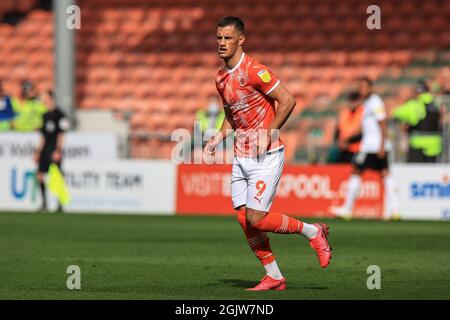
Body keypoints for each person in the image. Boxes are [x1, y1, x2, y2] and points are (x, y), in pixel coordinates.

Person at [203, 16, 332, 291]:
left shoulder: (255, 71)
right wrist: (218, 136)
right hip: (241, 156)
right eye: (218, 38)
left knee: (256, 218)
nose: (222, 43)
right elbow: (231, 114)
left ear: (241, 40)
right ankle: (274, 276)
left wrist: (268, 133)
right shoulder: (221, 77)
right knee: (243, 218)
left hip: (267, 154)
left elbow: (288, 100)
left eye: (227, 38)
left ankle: (313, 231)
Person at [329, 77, 400, 221]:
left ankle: (347, 209)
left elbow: (382, 124)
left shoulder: (375, 102)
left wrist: (382, 145)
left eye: (364, 87)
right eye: (360, 87)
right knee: (385, 174)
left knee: (356, 171)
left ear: (371, 88)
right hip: (372, 144)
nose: (362, 90)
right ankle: (395, 210)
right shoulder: (367, 103)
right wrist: (349, 138)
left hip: (372, 146)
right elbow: (366, 126)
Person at [34, 90, 70, 212]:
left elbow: (61, 135)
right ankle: (44, 203)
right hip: (45, 149)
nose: (43, 100)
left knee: (56, 177)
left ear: (51, 98)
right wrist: (38, 151)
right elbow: (43, 136)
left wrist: (58, 151)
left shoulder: (60, 114)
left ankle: (60, 204)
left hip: (54, 149)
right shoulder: (44, 115)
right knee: (39, 175)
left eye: (45, 98)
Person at [392, 81, 442, 163]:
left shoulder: (415, 104)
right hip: (435, 146)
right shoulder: (437, 103)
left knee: (416, 174)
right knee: (432, 173)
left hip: (418, 145)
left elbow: (396, 113)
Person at [334, 91, 364, 163]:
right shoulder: (344, 112)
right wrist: (338, 142)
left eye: (354, 99)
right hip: (344, 148)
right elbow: (337, 129)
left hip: (358, 148)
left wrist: (347, 141)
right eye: (351, 100)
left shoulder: (363, 112)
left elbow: (362, 131)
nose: (352, 102)